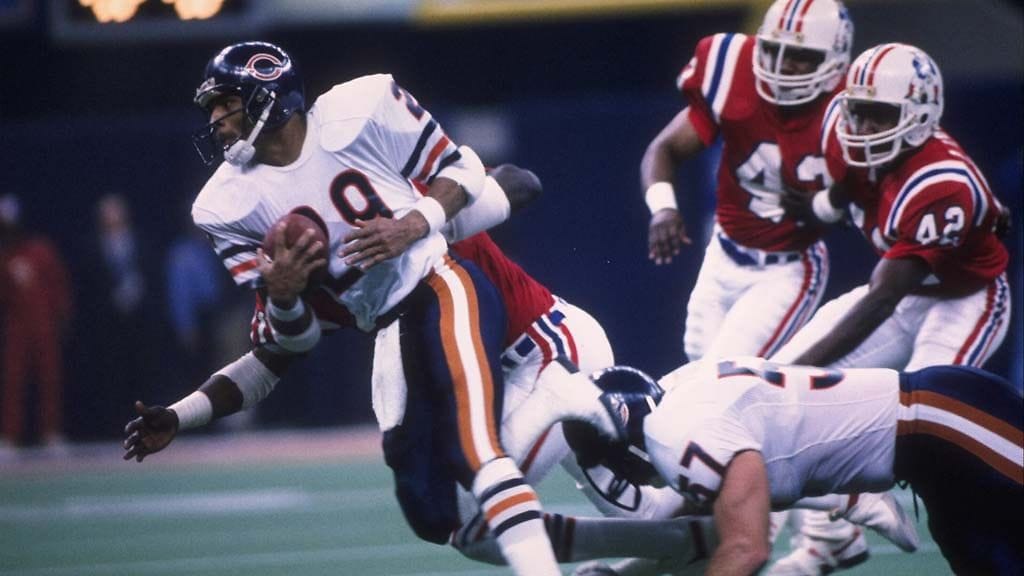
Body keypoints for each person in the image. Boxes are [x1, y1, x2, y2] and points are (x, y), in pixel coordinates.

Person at [123, 41, 563, 575]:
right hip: (388, 327)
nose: (216, 120)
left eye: (226, 103)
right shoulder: (225, 206)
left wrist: (415, 223)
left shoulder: (359, 112)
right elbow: (282, 349)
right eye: (211, 107)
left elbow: (475, 172)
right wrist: (281, 299)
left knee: (478, 452)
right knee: (433, 514)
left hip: (441, 284)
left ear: (270, 96)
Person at [769, 43, 1012, 570]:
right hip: (905, 294)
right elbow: (846, 183)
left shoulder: (940, 184)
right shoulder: (842, 132)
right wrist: (819, 207)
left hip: (963, 300)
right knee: (782, 382)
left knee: (926, 422)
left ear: (920, 114)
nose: (860, 126)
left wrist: (804, 369)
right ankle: (830, 540)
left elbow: (881, 300)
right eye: (857, 110)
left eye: (878, 114)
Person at [551, 356, 1022, 575]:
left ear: (626, 443)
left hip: (946, 422)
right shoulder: (679, 400)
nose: (624, 476)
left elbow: (745, 548)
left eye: (613, 462)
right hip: (933, 443)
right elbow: (700, 524)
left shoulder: (676, 434)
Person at [641, 0, 853, 364]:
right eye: (774, 49)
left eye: (800, 56)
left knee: (721, 375)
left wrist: (826, 205)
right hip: (723, 252)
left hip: (787, 269)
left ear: (834, 60)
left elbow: (869, 191)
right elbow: (664, 148)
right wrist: (663, 208)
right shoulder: (732, 70)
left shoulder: (850, 111)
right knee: (700, 367)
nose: (783, 65)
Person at [0, 194, 72, 453]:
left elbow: (59, 286)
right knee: (13, 383)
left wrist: (62, 318)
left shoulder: (41, 251)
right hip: (16, 329)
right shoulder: (4, 257)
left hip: (45, 328)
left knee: (49, 381)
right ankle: (9, 436)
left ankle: (50, 433)